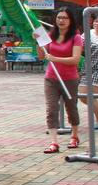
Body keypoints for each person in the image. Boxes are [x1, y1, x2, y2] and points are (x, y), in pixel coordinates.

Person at [36, 8, 84, 153]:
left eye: (64, 18)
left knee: (71, 107)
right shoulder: (50, 35)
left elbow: (75, 59)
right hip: (51, 78)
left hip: (69, 78)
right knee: (51, 109)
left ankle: (74, 136)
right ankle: (53, 142)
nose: (61, 21)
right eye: (59, 18)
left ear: (71, 21)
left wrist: (55, 58)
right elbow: (41, 56)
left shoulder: (75, 37)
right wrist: (38, 41)